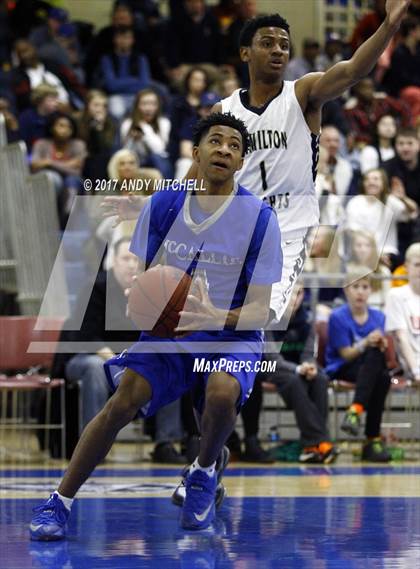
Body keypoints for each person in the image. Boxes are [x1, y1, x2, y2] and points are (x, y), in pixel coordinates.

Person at [29, 112, 282, 539]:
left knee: (220, 391)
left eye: (234, 146)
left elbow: (261, 311)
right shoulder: (164, 204)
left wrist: (214, 316)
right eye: (215, 141)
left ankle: (203, 471)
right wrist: (144, 303)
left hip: (231, 334)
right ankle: (60, 501)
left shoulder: (260, 219)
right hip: (173, 331)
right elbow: (149, 280)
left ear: (240, 163)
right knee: (123, 401)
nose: (224, 149)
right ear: (196, 153)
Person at [261, 285, 338, 464]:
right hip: (269, 367)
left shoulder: (307, 321)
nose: (293, 297)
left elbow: (308, 354)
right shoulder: (267, 319)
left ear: (303, 295)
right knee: (295, 381)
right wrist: (298, 369)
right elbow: (272, 356)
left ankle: (312, 447)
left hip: (298, 368)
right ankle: (320, 441)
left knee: (320, 378)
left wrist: (309, 366)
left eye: (298, 292)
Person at [325, 269, 392, 462]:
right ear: (346, 290)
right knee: (376, 365)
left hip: (368, 369)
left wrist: (381, 344)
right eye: (355, 287)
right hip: (343, 366)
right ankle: (372, 439)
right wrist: (366, 342)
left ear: (371, 290)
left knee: (382, 374)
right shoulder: (337, 316)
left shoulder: (379, 317)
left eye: (365, 287)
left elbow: (381, 351)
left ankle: (355, 411)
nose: (360, 292)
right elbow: (345, 354)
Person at [345, 168, 418, 267]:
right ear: (363, 184)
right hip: (362, 253)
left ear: (383, 183)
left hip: (388, 254)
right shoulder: (355, 202)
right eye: (367, 179)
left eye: (375, 179)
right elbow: (355, 233)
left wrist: (403, 198)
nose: (371, 182)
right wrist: (375, 255)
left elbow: (414, 211)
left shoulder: (391, 201)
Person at [385, 242, 420, 382]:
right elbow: (401, 337)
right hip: (411, 364)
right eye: (417, 265)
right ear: (406, 267)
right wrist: (416, 371)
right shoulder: (396, 295)